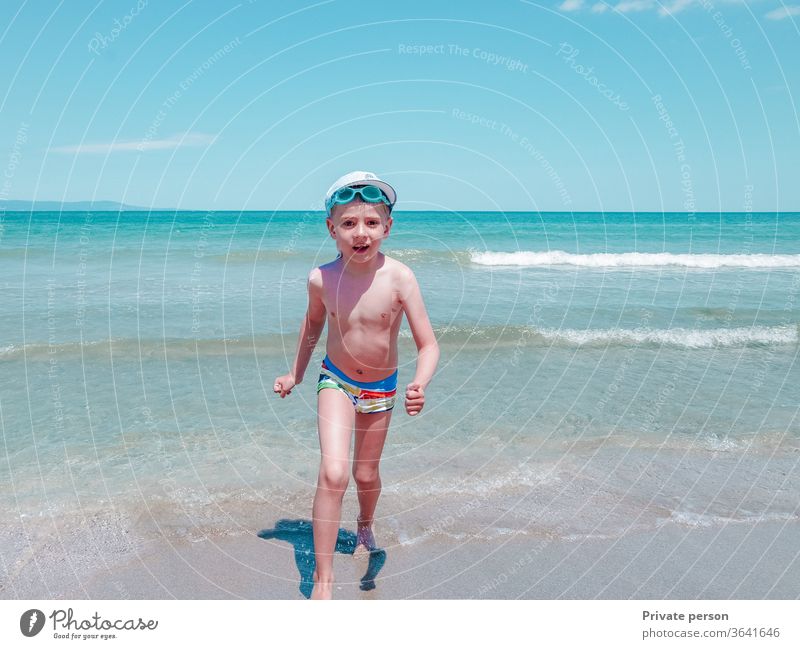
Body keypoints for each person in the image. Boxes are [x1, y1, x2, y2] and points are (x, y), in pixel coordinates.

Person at [273, 171, 439, 599]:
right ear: (332, 229)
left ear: (387, 227)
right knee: (334, 472)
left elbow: (429, 344)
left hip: (382, 389)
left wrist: (420, 383)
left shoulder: (400, 278)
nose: (360, 233)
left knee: (366, 475)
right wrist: (297, 373)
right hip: (337, 381)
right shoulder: (321, 280)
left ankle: (365, 523)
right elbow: (312, 327)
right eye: (348, 224)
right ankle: (323, 580)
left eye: (370, 223)